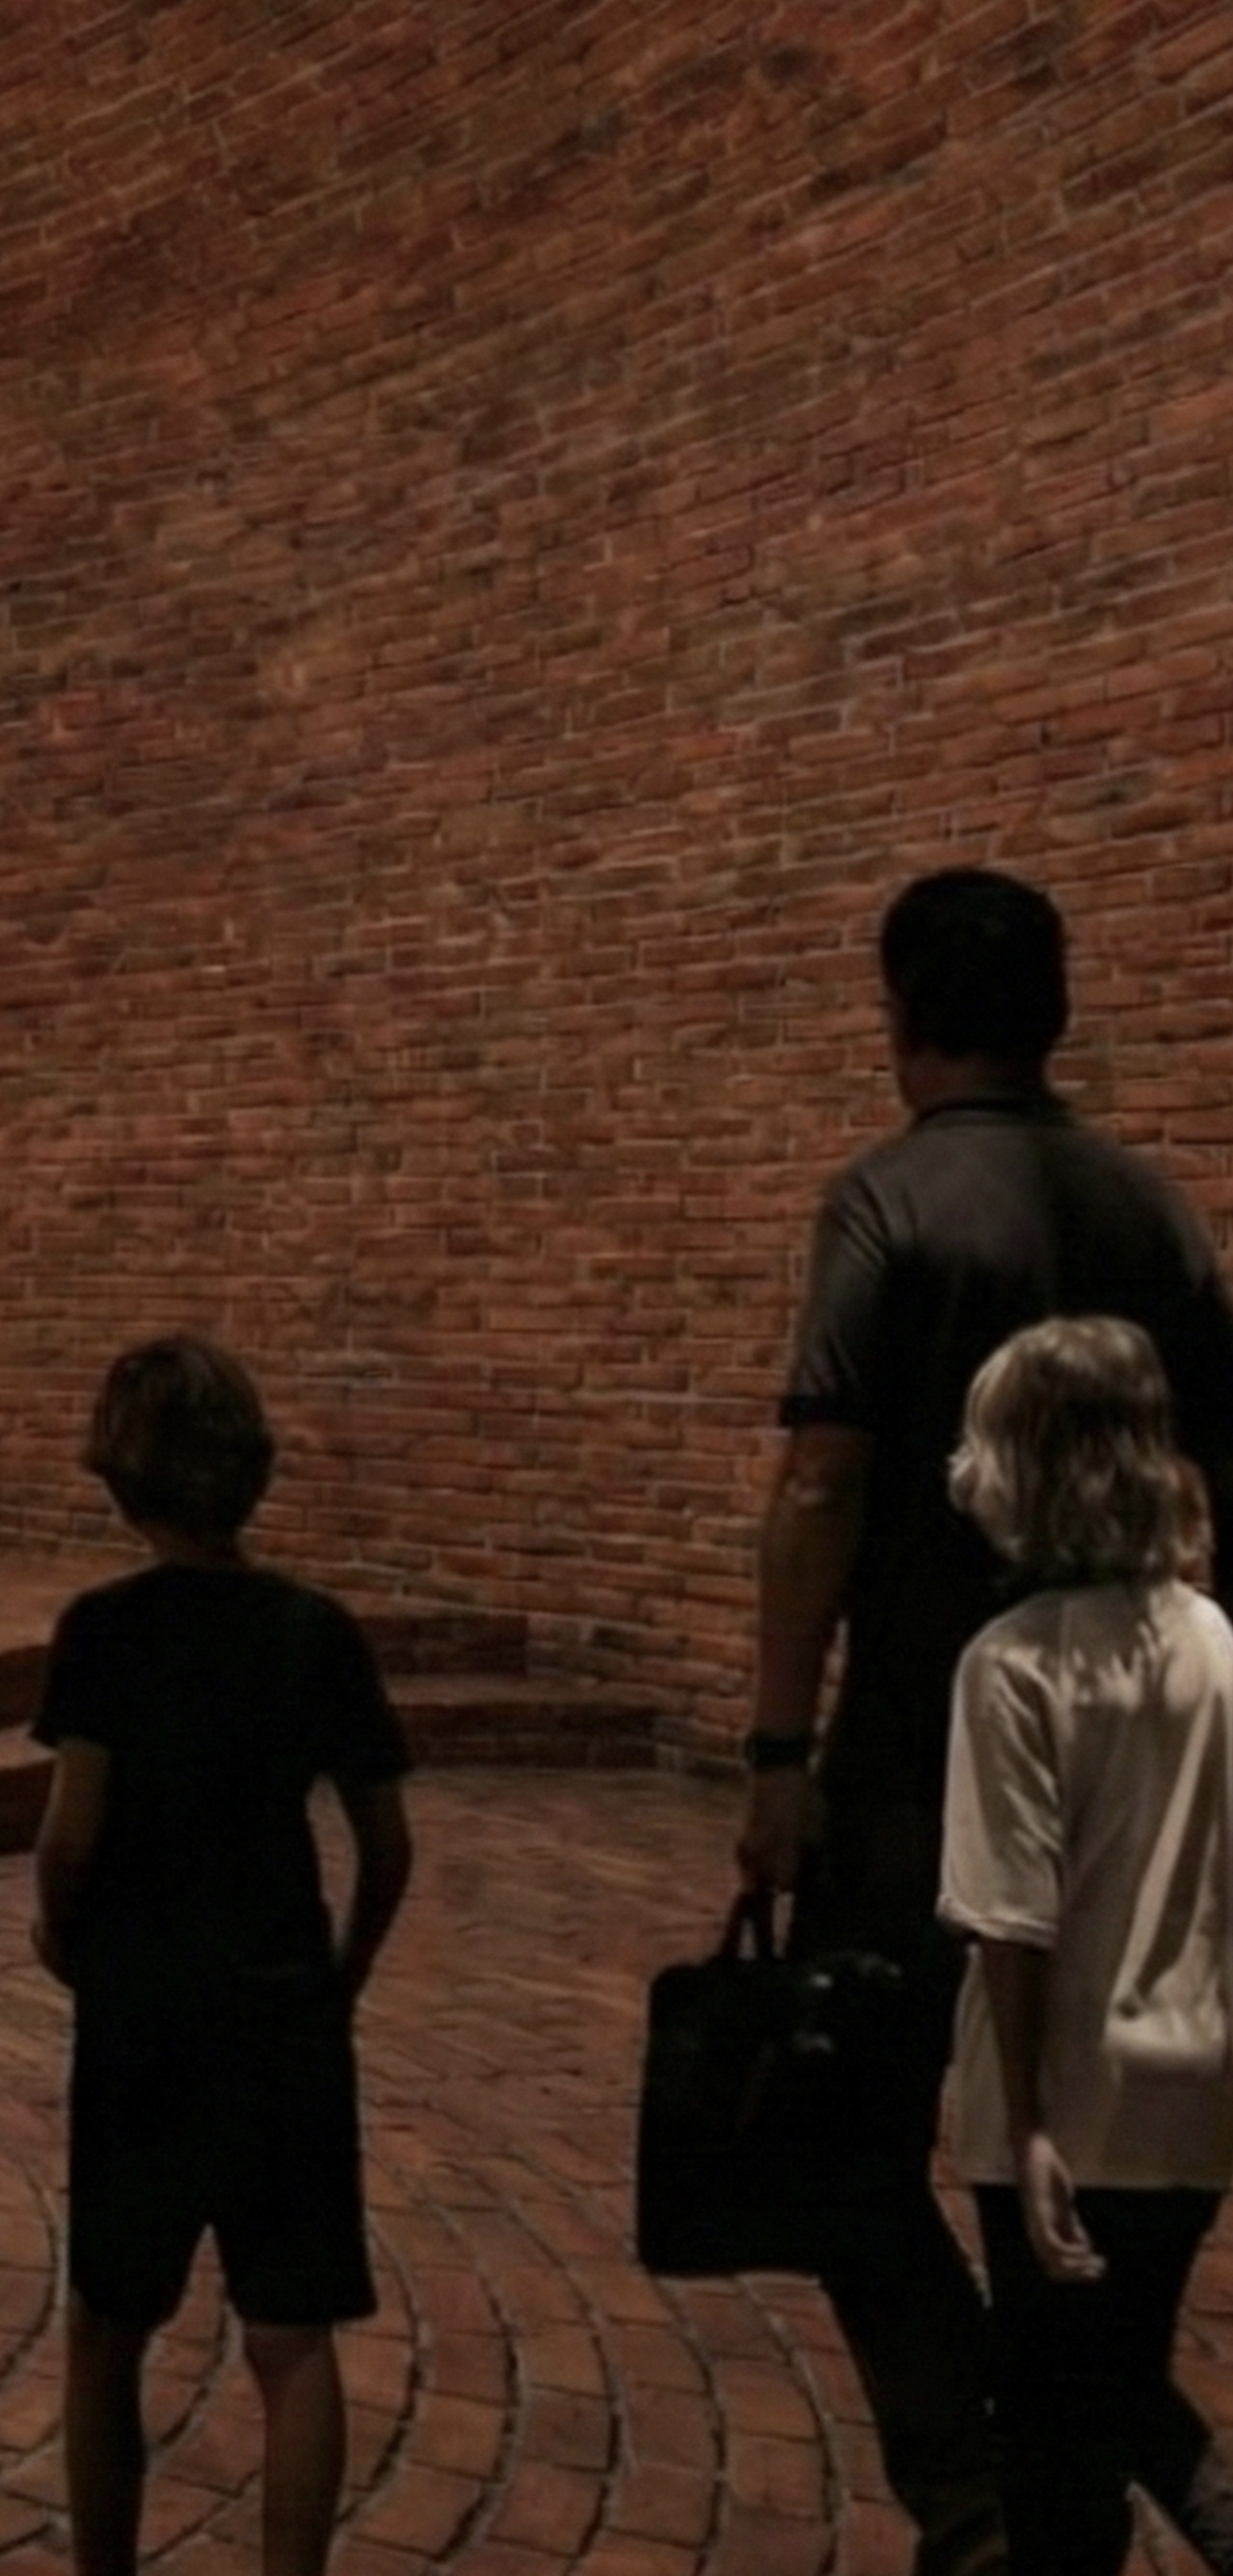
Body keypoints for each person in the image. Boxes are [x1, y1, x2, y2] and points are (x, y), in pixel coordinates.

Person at [744, 868, 1233, 2576]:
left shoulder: (883, 1203)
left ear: (900, 1015)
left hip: (913, 1760)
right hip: (1127, 1755)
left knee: (849, 2138)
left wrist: (776, 1749)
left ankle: (985, 2497)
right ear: (1059, 1011)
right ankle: (1096, 2458)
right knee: (1068, 2155)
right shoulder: (1161, 1215)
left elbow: (820, 1483)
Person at [32, 1334, 415, 2576]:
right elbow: (386, 1841)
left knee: (105, 2322)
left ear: (122, 1478)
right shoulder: (315, 1631)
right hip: (280, 2008)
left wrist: (63, 1930)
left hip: (144, 2008)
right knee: (292, 2339)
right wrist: (342, 1974)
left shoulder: (101, 1630)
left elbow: (69, 1833)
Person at [938, 1316, 1233, 2576]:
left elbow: (1011, 1908)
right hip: (1194, 2085)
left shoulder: (1010, 1664)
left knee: (1057, 2437)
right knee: (1117, 2380)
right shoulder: (1215, 1644)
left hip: (1065, 2090)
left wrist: (1029, 2125)